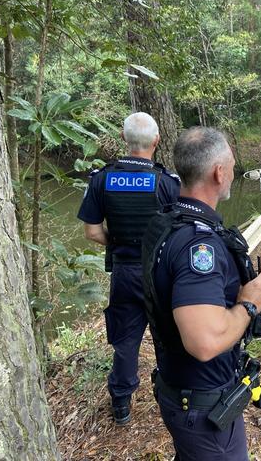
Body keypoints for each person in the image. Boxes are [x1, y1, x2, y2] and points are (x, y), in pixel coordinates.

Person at [142, 126, 261, 460]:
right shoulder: (198, 247)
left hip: (186, 394)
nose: (231, 171)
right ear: (219, 173)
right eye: (230, 164)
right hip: (202, 410)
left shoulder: (168, 222)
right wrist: (250, 302)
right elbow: (203, 342)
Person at [77, 112, 180, 424]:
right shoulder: (167, 183)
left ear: (123, 140)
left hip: (124, 273)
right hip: (159, 275)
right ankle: (172, 398)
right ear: (157, 141)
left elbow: (93, 232)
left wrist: (119, 245)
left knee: (125, 341)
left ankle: (121, 405)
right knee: (167, 337)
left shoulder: (102, 180)